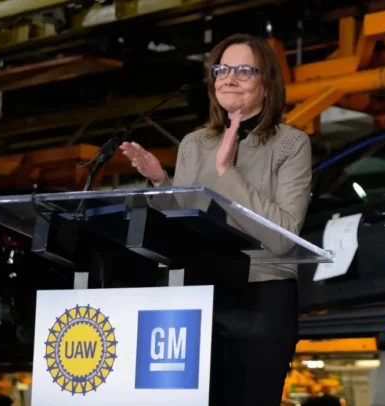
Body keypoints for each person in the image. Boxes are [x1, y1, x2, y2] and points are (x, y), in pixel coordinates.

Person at [120, 33, 312, 406]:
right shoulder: (195, 143)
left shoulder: (291, 144)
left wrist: (227, 172)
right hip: (196, 296)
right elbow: (186, 224)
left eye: (243, 70)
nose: (229, 78)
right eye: (222, 69)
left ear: (267, 82)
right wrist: (162, 184)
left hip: (261, 297)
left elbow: (285, 235)